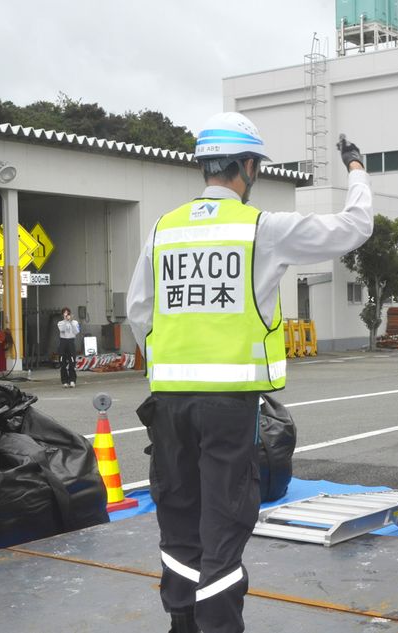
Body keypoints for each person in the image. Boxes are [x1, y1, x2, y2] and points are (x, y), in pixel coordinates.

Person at [126, 112, 372, 633]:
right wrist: (356, 171)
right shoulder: (262, 228)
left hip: (168, 402)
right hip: (229, 404)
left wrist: (173, 360)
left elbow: (140, 312)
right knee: (225, 519)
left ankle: (181, 624)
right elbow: (355, 228)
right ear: (247, 166)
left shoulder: (163, 229)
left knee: (177, 516)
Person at [56, 307, 80, 387]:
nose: (66, 315)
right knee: (62, 362)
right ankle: (64, 381)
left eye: (68, 313)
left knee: (72, 362)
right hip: (63, 342)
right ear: (63, 314)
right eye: (65, 313)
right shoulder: (60, 323)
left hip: (71, 341)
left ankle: (72, 380)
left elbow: (76, 331)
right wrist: (66, 321)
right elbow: (62, 330)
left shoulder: (75, 322)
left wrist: (71, 322)